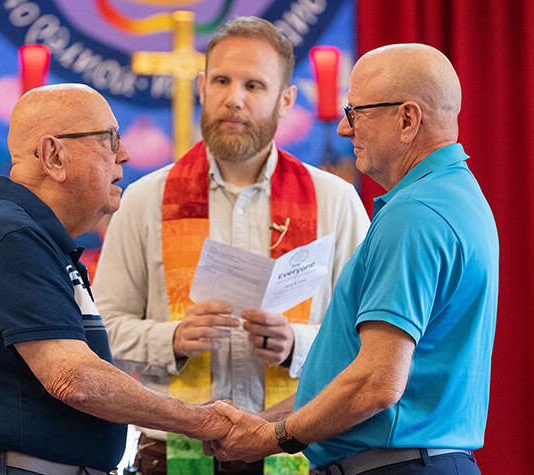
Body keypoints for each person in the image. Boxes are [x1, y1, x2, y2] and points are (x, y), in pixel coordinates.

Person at [92, 16, 369, 475]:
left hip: (294, 451)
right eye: (221, 80)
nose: (233, 98)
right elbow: (100, 335)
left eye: (254, 85)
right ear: (202, 86)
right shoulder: (144, 200)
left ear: (286, 100)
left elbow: (366, 345)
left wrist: (296, 344)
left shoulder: (334, 201)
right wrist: (172, 339)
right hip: (174, 455)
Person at [205, 43, 499, 475]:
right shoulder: (456, 194)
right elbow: (355, 368)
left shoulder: (414, 214)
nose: (344, 129)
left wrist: (272, 438)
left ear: (407, 119)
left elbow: (377, 383)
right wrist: (264, 421)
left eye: (356, 112)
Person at [0, 84, 231, 475]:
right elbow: (75, 379)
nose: (125, 154)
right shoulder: (10, 236)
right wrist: (202, 422)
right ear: (53, 155)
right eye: (109, 139)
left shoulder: (32, 236)